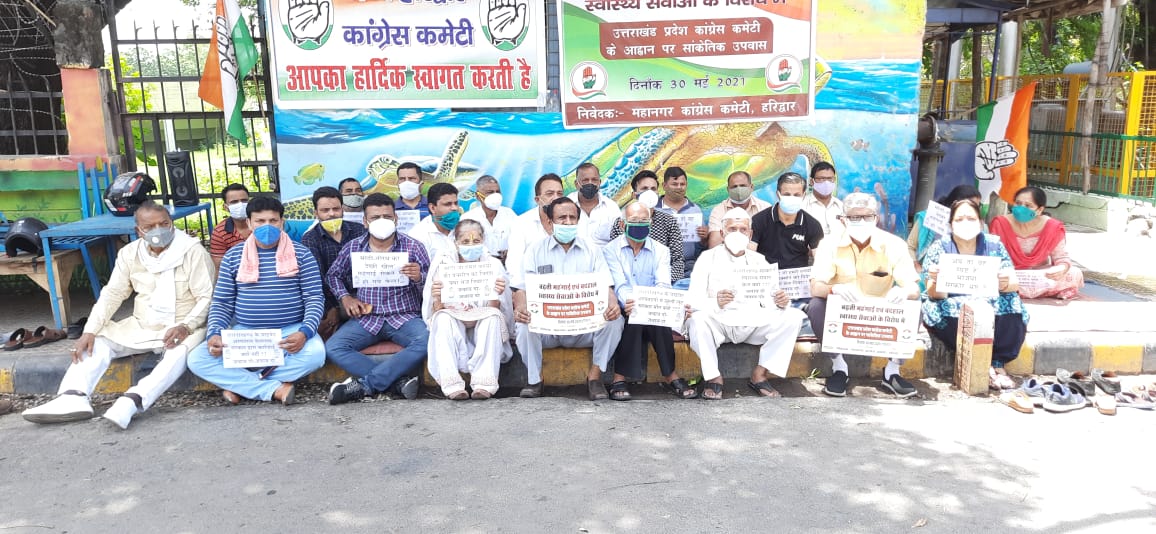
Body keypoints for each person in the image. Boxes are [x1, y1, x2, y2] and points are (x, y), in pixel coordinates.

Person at [22, 202, 214, 429]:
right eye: (150, 227)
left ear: (171, 224)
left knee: (179, 354)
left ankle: (132, 401)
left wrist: (186, 326)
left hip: (183, 325)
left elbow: (207, 297)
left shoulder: (192, 251)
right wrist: (90, 330)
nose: (159, 230)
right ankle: (72, 397)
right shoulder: (129, 254)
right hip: (143, 324)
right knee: (98, 340)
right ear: (138, 231)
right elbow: (112, 294)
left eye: (164, 224)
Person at [188, 197, 326, 405]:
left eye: (273, 221)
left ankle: (242, 385)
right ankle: (273, 389)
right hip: (246, 334)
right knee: (198, 359)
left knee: (316, 355)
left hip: (289, 331)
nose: (267, 226)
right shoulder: (233, 256)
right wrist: (214, 333)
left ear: (282, 222)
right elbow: (222, 302)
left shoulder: (302, 254)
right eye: (260, 221)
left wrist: (304, 332)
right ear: (249, 223)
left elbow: (314, 298)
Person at [808, 192, 921, 398]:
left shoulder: (894, 244)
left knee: (915, 305)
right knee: (816, 306)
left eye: (867, 216)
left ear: (876, 218)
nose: (861, 221)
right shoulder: (829, 244)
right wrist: (834, 289)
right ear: (843, 220)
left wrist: (904, 291)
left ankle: (892, 372)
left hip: (879, 314)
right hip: (843, 314)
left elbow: (914, 288)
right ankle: (839, 368)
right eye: (854, 217)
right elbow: (816, 287)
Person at [686, 208, 805, 399]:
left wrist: (781, 301)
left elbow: (772, 297)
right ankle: (714, 377)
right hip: (720, 322)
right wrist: (715, 302)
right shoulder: (707, 258)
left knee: (793, 317)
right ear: (722, 233)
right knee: (697, 321)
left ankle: (760, 374)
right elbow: (693, 300)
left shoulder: (760, 260)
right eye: (732, 229)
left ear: (750, 234)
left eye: (743, 229)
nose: (738, 233)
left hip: (753, 322)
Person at [512, 197, 624, 400]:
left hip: (584, 327)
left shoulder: (592, 250)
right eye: (562, 218)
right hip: (547, 329)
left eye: (572, 217)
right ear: (550, 222)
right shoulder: (535, 250)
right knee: (522, 325)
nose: (568, 222)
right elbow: (521, 288)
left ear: (578, 221)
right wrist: (521, 307)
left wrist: (613, 304)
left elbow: (606, 285)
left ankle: (595, 378)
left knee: (615, 321)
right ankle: (535, 379)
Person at [324, 193, 430, 404]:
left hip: (404, 316)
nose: (382, 221)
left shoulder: (414, 247)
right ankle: (397, 382)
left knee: (428, 340)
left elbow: (432, 286)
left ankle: (365, 386)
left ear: (396, 219)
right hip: (366, 317)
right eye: (375, 217)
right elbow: (333, 275)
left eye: (387, 216)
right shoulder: (354, 247)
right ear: (365, 221)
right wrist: (346, 298)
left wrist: (420, 277)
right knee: (334, 346)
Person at [922, 199, 1028, 390]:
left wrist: (1004, 283)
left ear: (980, 223)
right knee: (948, 308)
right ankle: (980, 364)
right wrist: (937, 280)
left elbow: (1013, 283)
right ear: (950, 225)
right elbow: (933, 293)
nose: (965, 223)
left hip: (989, 298)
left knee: (1013, 302)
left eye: (971, 219)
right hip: (952, 300)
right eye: (959, 219)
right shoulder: (940, 248)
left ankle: (997, 363)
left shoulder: (994, 245)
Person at [604, 201, 696, 400]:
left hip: (651, 305)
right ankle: (619, 377)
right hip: (624, 306)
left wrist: (655, 302)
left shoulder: (661, 250)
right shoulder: (610, 250)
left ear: (651, 223)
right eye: (634, 221)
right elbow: (619, 285)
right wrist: (632, 302)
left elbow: (663, 283)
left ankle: (670, 375)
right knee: (635, 316)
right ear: (622, 224)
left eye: (644, 221)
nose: (639, 225)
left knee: (654, 316)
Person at [423, 219, 511, 400]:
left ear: (483, 241)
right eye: (465, 241)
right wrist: (437, 296)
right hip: (454, 318)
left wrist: (496, 294)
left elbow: (497, 308)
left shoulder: (493, 265)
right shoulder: (443, 264)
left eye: (476, 241)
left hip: (482, 317)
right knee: (442, 319)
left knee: (493, 317)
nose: (471, 245)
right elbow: (435, 310)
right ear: (456, 242)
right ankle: (451, 384)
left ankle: (484, 383)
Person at [989, 186, 1084, 299]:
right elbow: (993, 255)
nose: (1021, 208)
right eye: (1018, 203)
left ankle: (1015, 290)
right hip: (1010, 272)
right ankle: (1031, 290)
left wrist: (1060, 269)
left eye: (1028, 206)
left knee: (1074, 273)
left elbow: (1061, 256)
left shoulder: (1052, 227)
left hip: (1039, 275)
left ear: (1039, 210)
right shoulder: (1001, 223)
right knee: (992, 276)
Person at [300, 186, 366, 318]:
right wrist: (334, 307)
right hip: (333, 300)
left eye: (336, 209)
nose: (331, 214)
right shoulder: (310, 239)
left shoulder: (360, 230)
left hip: (366, 295)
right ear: (316, 213)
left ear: (342, 209)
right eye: (325, 210)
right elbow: (318, 279)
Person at [608, 170, 685, 284]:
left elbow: (678, 261)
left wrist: (662, 282)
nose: (649, 192)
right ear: (634, 195)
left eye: (653, 189)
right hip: (627, 283)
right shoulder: (622, 222)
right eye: (644, 189)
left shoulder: (669, 222)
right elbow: (613, 258)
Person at [751, 172, 824, 270]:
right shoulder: (759, 220)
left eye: (797, 195)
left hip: (798, 276)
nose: (792, 198)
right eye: (787, 194)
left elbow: (821, 260)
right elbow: (750, 255)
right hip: (767, 275)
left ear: (803, 195)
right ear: (778, 194)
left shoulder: (812, 225)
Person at [506, 173, 566, 287]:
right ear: (537, 199)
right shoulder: (521, 223)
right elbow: (514, 261)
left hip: (567, 287)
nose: (556, 198)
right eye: (550, 194)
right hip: (533, 288)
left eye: (559, 193)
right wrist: (519, 290)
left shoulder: (573, 221)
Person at [907, 184, 982, 272]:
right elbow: (910, 246)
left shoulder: (977, 227)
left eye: (978, 207)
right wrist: (916, 265)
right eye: (973, 206)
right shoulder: (930, 218)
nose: (975, 210)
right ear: (956, 204)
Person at [657, 166, 707, 276]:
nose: (679, 187)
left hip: (689, 265)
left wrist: (704, 237)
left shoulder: (695, 209)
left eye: (682, 184)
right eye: (674, 184)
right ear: (664, 186)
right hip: (660, 265)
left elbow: (702, 245)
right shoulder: (654, 210)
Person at [706, 171, 771, 248]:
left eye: (742, 185)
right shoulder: (718, 210)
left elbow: (771, 240)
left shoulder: (765, 208)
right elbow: (715, 244)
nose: (739, 190)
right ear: (728, 189)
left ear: (751, 187)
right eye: (734, 187)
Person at [462, 175, 516, 263]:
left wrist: (510, 252)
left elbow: (520, 239)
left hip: (509, 266)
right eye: (490, 192)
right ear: (478, 196)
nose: (495, 195)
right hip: (481, 268)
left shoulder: (509, 214)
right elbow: (464, 248)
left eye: (497, 191)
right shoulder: (468, 219)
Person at [567, 162, 621, 246]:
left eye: (594, 180)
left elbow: (619, 239)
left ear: (599, 182)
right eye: (585, 180)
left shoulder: (611, 207)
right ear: (576, 184)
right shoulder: (565, 205)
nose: (590, 183)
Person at [408, 182, 460, 261]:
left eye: (456, 203)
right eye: (448, 204)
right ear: (432, 208)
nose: (454, 208)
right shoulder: (418, 235)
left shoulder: (465, 226)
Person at [209, 183, 251, 268]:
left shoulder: (262, 224)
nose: (240, 205)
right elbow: (219, 266)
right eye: (234, 202)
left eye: (244, 201)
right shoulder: (220, 232)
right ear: (226, 207)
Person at [801, 162, 844, 236]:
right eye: (821, 179)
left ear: (834, 180)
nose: (826, 183)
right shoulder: (802, 206)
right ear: (812, 181)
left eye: (830, 179)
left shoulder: (842, 207)